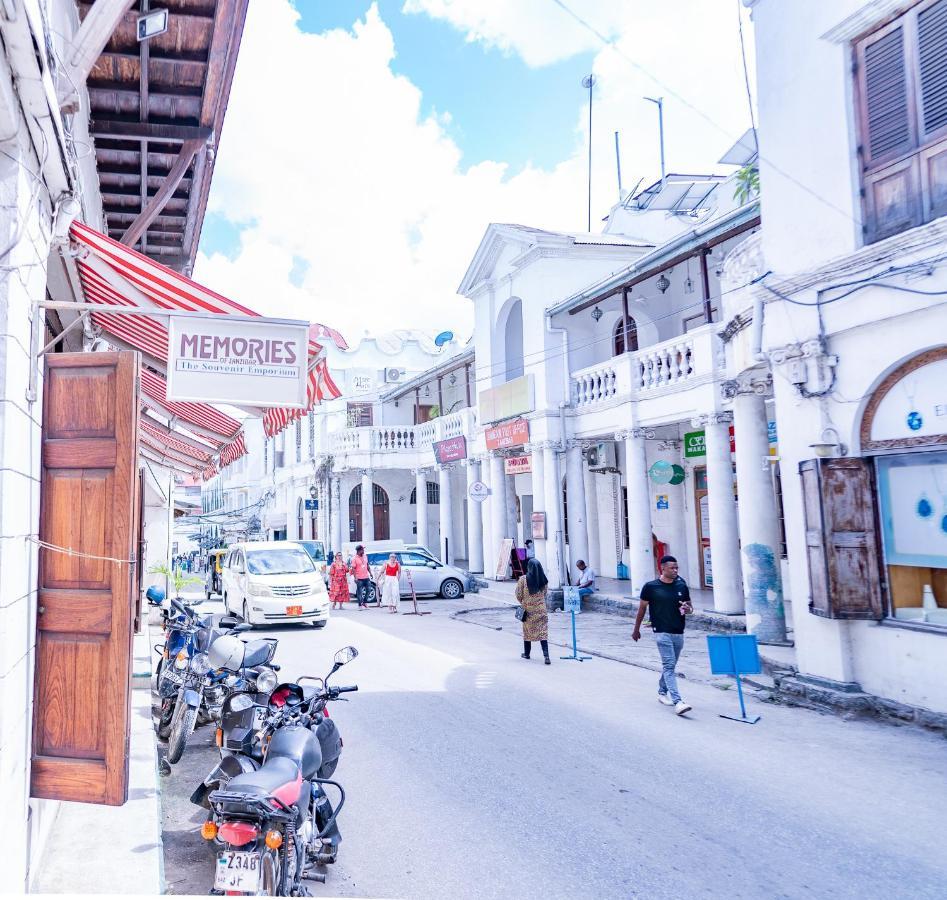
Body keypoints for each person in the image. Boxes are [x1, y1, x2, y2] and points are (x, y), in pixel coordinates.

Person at [632, 555, 693, 716]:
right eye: (672, 568)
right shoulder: (651, 587)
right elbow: (642, 609)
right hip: (661, 631)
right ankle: (678, 701)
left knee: (671, 666)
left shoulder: (681, 585)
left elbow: (690, 607)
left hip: (678, 631)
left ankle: (661, 691)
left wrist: (688, 609)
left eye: (677, 568)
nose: (675, 570)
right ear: (663, 568)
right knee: (668, 665)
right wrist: (636, 629)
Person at [516, 558, 551, 665]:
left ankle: (527, 654)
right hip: (541, 610)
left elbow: (518, 594)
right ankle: (546, 656)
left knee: (527, 632)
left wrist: (525, 601)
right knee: (543, 633)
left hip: (529, 610)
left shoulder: (523, 579)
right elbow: (545, 593)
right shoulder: (543, 579)